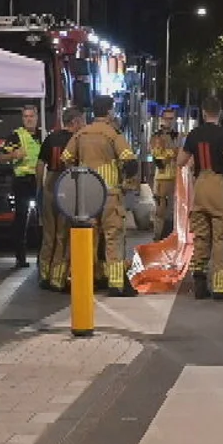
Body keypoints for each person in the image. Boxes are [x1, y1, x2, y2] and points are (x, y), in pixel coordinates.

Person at [62, 95, 139, 296]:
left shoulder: (81, 134)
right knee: (113, 238)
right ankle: (116, 283)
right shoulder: (113, 134)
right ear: (110, 111)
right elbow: (130, 163)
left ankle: (87, 281)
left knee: (88, 239)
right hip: (110, 195)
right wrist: (124, 181)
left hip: (87, 197)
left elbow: (66, 159)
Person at [179, 97, 223, 300]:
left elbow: (180, 161)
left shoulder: (194, 135)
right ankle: (220, 287)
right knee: (221, 237)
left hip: (200, 186)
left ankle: (199, 282)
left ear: (203, 113)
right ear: (219, 113)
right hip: (219, 186)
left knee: (201, 236)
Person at [35, 107, 85, 291]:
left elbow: (40, 165)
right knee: (62, 235)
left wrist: (40, 188)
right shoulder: (76, 140)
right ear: (75, 122)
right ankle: (58, 278)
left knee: (48, 234)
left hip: (50, 184)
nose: (84, 125)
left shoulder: (50, 138)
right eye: (82, 121)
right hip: (67, 185)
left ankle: (44, 274)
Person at [2, 105, 44, 270]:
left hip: (40, 181)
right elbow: (0, 158)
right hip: (22, 182)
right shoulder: (15, 136)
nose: (29, 119)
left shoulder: (43, 134)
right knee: (21, 220)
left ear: (37, 117)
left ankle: (43, 257)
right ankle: (20, 258)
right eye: (26, 116)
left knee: (43, 221)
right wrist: (13, 155)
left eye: (31, 116)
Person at [149, 108, 182, 241]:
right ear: (162, 119)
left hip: (175, 177)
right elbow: (158, 157)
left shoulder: (177, 135)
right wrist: (173, 152)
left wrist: (170, 152)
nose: (169, 121)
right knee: (160, 210)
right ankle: (158, 237)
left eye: (171, 118)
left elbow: (181, 153)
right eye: (167, 118)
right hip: (162, 178)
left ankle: (171, 236)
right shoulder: (157, 136)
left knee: (173, 210)